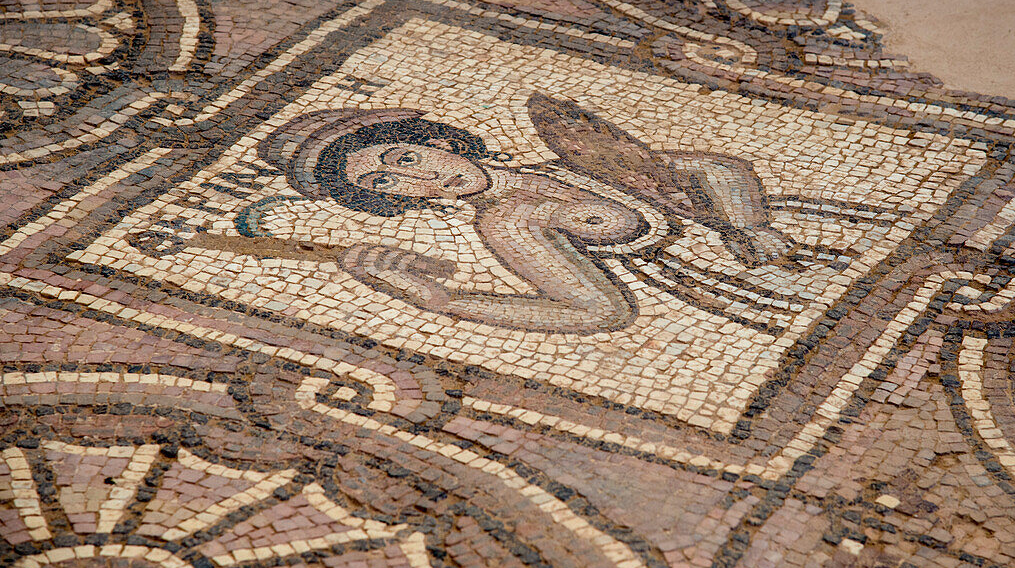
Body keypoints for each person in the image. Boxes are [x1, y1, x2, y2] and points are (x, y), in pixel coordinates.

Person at [238, 94, 794, 335]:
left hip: (770, 240)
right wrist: (437, 300)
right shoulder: (509, 221)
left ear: (432, 140)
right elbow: (598, 312)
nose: (418, 178)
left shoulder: (563, 160)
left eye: (404, 157)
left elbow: (719, 168)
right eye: (383, 182)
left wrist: (750, 227)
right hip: (746, 290)